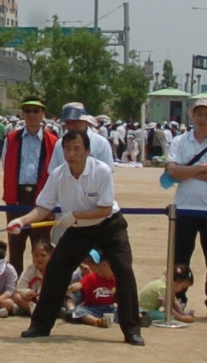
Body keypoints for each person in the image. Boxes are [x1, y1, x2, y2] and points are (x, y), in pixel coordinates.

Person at [13, 128, 145, 344]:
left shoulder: (101, 171)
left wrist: (74, 215)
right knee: (56, 269)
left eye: (77, 149)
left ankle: (132, 330)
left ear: (87, 151)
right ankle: (40, 324)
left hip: (109, 225)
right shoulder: (58, 174)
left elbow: (103, 209)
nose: (72, 154)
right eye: (67, 149)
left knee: (123, 270)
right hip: (78, 229)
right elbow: (43, 207)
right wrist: (21, 221)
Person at [164, 96, 207, 322]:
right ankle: (179, 297)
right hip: (184, 208)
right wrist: (202, 168)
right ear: (192, 115)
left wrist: (188, 170)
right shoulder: (180, 141)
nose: (203, 119)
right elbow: (173, 171)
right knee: (180, 258)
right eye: (199, 114)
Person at [1, 99, 59, 238]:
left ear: (43, 113)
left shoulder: (53, 141)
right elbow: (5, 164)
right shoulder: (11, 138)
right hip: (16, 196)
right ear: (23, 114)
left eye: (36, 111)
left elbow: (56, 171)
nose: (31, 114)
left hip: (42, 196)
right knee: (15, 244)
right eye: (27, 110)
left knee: (41, 245)